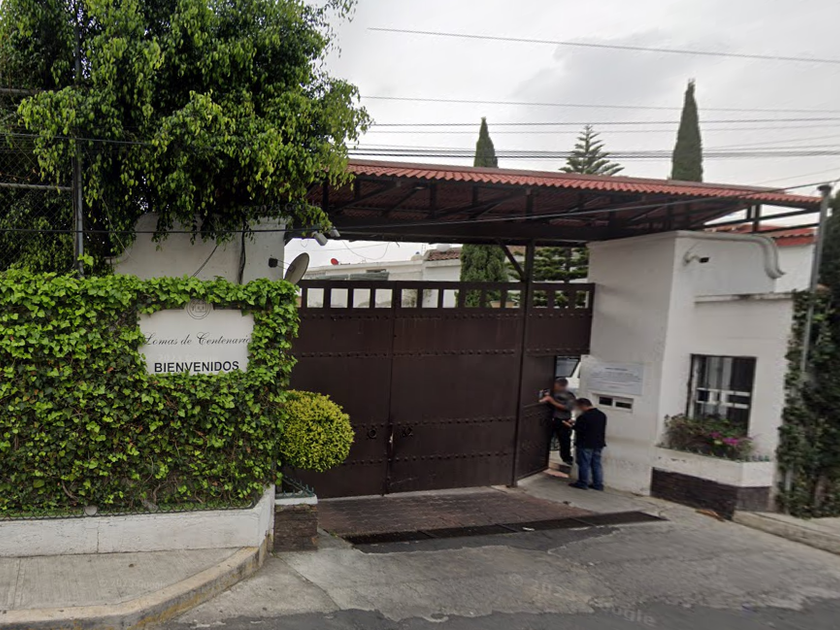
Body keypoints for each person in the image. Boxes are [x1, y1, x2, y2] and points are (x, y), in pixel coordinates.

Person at [567, 398, 607, 491]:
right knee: (596, 464)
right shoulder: (602, 415)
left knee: (584, 463)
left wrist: (570, 425)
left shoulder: (583, 416)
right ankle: (598, 484)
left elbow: (579, 429)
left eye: (578, 407)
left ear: (582, 406)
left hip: (585, 443)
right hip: (598, 443)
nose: (578, 409)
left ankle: (583, 482)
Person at [540, 378, 576, 466]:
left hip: (563, 421)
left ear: (562, 386)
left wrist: (552, 401)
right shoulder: (552, 394)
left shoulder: (569, 396)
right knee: (545, 439)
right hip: (551, 419)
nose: (555, 388)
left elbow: (568, 407)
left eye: (556, 386)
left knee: (564, 440)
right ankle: (541, 457)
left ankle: (566, 458)